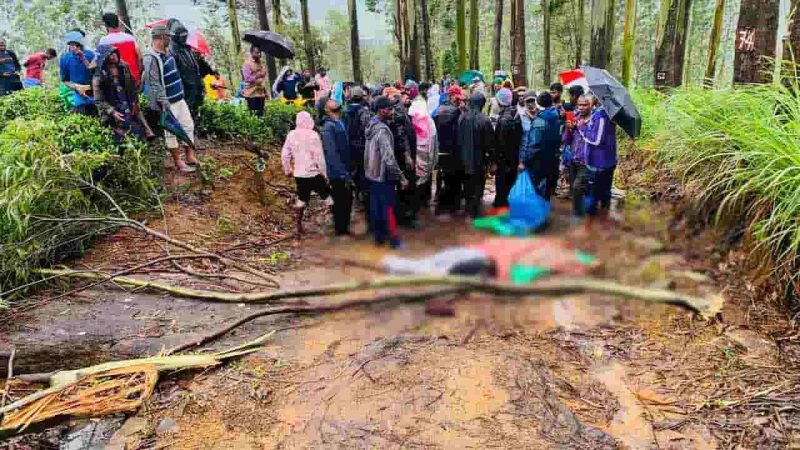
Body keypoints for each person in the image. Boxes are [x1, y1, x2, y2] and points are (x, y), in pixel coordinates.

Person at [143, 24, 198, 173]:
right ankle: (178, 161)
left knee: (188, 126)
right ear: (162, 37)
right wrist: (163, 103)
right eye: (168, 37)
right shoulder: (151, 58)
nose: (170, 39)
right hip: (167, 102)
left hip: (179, 98)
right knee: (171, 132)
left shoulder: (168, 53)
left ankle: (190, 156)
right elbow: (154, 83)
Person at [364, 96, 409, 248]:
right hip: (382, 175)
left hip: (372, 174)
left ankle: (379, 238)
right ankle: (394, 240)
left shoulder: (371, 125)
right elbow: (389, 158)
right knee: (388, 208)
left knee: (376, 208)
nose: (392, 112)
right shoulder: (382, 131)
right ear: (382, 111)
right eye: (390, 109)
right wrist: (401, 177)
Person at [282, 110, 332, 235]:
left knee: (302, 198)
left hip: (299, 174)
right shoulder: (313, 135)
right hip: (313, 173)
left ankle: (298, 225)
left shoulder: (291, 135)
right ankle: (336, 220)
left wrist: (287, 169)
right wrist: (325, 174)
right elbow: (319, 157)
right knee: (326, 195)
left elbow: (285, 155)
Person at [93, 44, 154, 143]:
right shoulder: (98, 76)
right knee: (119, 137)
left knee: (137, 132)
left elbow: (131, 87)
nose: (114, 56)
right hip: (113, 108)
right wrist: (112, 112)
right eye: (110, 55)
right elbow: (99, 100)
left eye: (114, 53)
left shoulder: (123, 67)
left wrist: (135, 102)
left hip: (127, 103)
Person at [581, 94, 617, 223]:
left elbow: (596, 140)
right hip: (607, 161)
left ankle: (590, 225)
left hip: (598, 163)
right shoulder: (608, 114)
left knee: (592, 196)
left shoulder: (602, 116)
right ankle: (603, 222)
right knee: (605, 193)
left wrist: (582, 128)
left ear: (597, 98)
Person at [320, 97, 353, 237]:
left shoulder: (339, 121)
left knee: (347, 199)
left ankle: (344, 227)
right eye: (330, 101)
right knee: (341, 200)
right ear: (326, 109)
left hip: (344, 168)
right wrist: (341, 173)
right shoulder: (328, 127)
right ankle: (341, 229)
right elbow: (331, 152)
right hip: (337, 172)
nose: (334, 101)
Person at [457, 92, 494, 218]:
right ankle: (475, 208)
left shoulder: (462, 117)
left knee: (467, 184)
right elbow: (490, 142)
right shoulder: (485, 120)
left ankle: (468, 206)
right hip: (479, 160)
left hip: (463, 158)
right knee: (478, 184)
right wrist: (491, 160)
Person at [168, 19, 212, 121]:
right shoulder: (171, 51)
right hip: (184, 90)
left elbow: (195, 66)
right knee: (186, 116)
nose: (184, 38)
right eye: (182, 36)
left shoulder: (187, 48)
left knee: (194, 113)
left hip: (194, 87)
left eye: (185, 35)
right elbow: (175, 73)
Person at [433, 85, 465, 215]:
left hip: (440, 148)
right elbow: (459, 132)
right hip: (452, 150)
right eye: (457, 98)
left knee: (442, 174)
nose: (459, 101)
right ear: (451, 96)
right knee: (454, 177)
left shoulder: (437, 110)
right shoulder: (456, 112)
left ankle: (439, 201)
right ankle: (453, 205)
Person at [388, 86, 418, 227]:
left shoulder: (397, 110)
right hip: (402, 154)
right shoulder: (398, 110)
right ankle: (406, 216)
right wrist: (407, 154)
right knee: (406, 184)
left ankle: (403, 214)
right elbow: (401, 135)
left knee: (403, 185)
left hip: (400, 153)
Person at [342, 86, 372, 217]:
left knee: (353, 170)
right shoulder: (364, 111)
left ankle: (356, 194)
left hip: (349, 145)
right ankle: (364, 196)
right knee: (363, 170)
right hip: (362, 146)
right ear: (361, 97)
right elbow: (367, 129)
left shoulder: (345, 111)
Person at [408, 82, 437, 209]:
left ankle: (423, 199)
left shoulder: (426, 121)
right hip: (421, 150)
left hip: (422, 149)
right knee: (421, 174)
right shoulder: (413, 120)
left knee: (422, 174)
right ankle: (422, 199)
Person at [561, 95, 591, 217]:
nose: (581, 107)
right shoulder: (575, 117)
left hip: (586, 160)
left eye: (585, 105)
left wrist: (580, 127)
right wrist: (568, 129)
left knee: (578, 187)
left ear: (591, 105)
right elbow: (566, 140)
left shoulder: (594, 121)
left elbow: (594, 139)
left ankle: (580, 214)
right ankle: (578, 211)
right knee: (574, 189)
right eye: (579, 105)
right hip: (574, 158)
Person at [492, 88, 522, 209]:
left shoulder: (504, 120)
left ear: (500, 102)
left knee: (502, 183)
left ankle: (500, 204)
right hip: (515, 156)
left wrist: (495, 160)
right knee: (511, 181)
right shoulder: (517, 115)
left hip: (504, 159)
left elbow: (500, 143)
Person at [98, 12, 143, 87]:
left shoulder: (104, 41)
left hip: (117, 81)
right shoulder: (130, 38)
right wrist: (138, 75)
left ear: (106, 25)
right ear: (118, 22)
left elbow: (101, 62)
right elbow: (140, 57)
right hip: (134, 78)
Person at [60, 31, 97, 115]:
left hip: (94, 92)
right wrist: (76, 87)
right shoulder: (65, 58)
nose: (74, 47)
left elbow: (95, 71)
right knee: (82, 114)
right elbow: (65, 80)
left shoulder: (91, 55)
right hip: (78, 94)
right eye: (71, 44)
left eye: (76, 44)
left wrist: (82, 56)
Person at [518, 91, 547, 196]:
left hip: (541, 157)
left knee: (539, 186)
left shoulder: (543, 115)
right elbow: (522, 141)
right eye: (528, 101)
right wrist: (521, 161)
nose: (530, 104)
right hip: (526, 156)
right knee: (526, 186)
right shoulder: (521, 116)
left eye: (532, 101)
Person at [536, 92, 562, 200]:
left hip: (542, 150)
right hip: (554, 149)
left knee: (541, 178)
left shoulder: (541, 117)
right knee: (548, 177)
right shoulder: (557, 113)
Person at [241, 46, 267, 116]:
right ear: (252, 52)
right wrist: (257, 76)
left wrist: (263, 72)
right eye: (257, 52)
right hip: (251, 93)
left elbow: (263, 75)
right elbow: (247, 78)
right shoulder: (247, 64)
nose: (259, 54)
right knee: (254, 115)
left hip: (261, 93)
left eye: (260, 52)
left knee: (261, 114)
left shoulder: (261, 63)